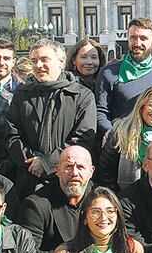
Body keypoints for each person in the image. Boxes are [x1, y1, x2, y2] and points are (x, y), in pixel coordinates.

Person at [7, 39, 96, 196]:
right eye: (34, 61)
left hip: (67, 180)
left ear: (61, 62)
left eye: (44, 60)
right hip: (28, 178)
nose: (38, 65)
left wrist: (48, 162)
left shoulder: (82, 95)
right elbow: (12, 133)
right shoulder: (22, 94)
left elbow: (83, 138)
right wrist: (32, 160)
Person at [16, 145, 96, 253]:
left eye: (80, 167)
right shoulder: (36, 205)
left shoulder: (101, 200)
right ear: (57, 170)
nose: (74, 173)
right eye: (68, 167)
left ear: (91, 171)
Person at [97, 85, 152, 192]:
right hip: (126, 197)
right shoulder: (120, 133)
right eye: (151, 105)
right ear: (141, 107)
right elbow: (107, 172)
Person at [95, 18, 152, 135]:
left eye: (143, 38)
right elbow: (101, 112)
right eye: (133, 37)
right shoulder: (109, 73)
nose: (137, 43)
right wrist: (115, 136)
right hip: (120, 147)